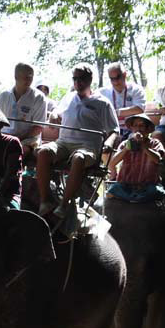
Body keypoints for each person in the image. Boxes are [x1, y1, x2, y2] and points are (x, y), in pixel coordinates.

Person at [35, 63, 118, 231]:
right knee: (43, 151)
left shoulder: (102, 103)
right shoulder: (69, 97)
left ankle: (64, 205)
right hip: (64, 143)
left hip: (87, 146)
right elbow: (57, 112)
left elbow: (114, 130)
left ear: (90, 80)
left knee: (79, 158)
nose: (78, 82)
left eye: (82, 78)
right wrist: (54, 114)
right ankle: (45, 200)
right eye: (75, 78)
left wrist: (108, 143)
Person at [106, 113, 165, 203]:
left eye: (141, 126)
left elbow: (157, 159)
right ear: (132, 129)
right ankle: (135, 197)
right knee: (111, 192)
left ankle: (136, 197)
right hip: (126, 185)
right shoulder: (125, 143)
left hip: (148, 185)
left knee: (157, 192)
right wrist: (126, 149)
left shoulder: (155, 143)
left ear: (148, 129)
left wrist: (143, 146)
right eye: (135, 126)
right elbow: (112, 163)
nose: (138, 129)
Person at [0, 63, 48, 152]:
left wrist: (16, 139)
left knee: (15, 152)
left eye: (31, 77)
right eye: (26, 77)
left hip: (28, 140)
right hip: (4, 136)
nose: (29, 80)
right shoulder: (3, 96)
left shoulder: (39, 97)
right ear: (16, 77)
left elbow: (38, 128)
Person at [99, 62, 147, 139]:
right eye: (112, 79)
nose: (115, 82)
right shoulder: (102, 92)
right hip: (111, 130)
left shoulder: (136, 89)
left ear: (124, 75)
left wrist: (115, 112)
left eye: (117, 77)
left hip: (132, 130)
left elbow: (139, 109)